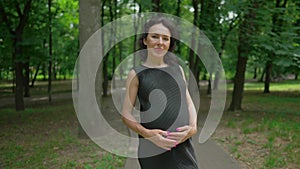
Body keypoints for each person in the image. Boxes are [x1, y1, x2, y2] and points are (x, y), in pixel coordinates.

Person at [121, 16, 199, 169]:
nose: (160, 42)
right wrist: (148, 134)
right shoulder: (137, 73)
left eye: (165, 38)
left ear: (170, 43)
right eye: (155, 36)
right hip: (152, 149)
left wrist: (193, 127)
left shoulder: (178, 70)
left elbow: (188, 102)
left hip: (182, 147)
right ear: (145, 40)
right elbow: (126, 114)